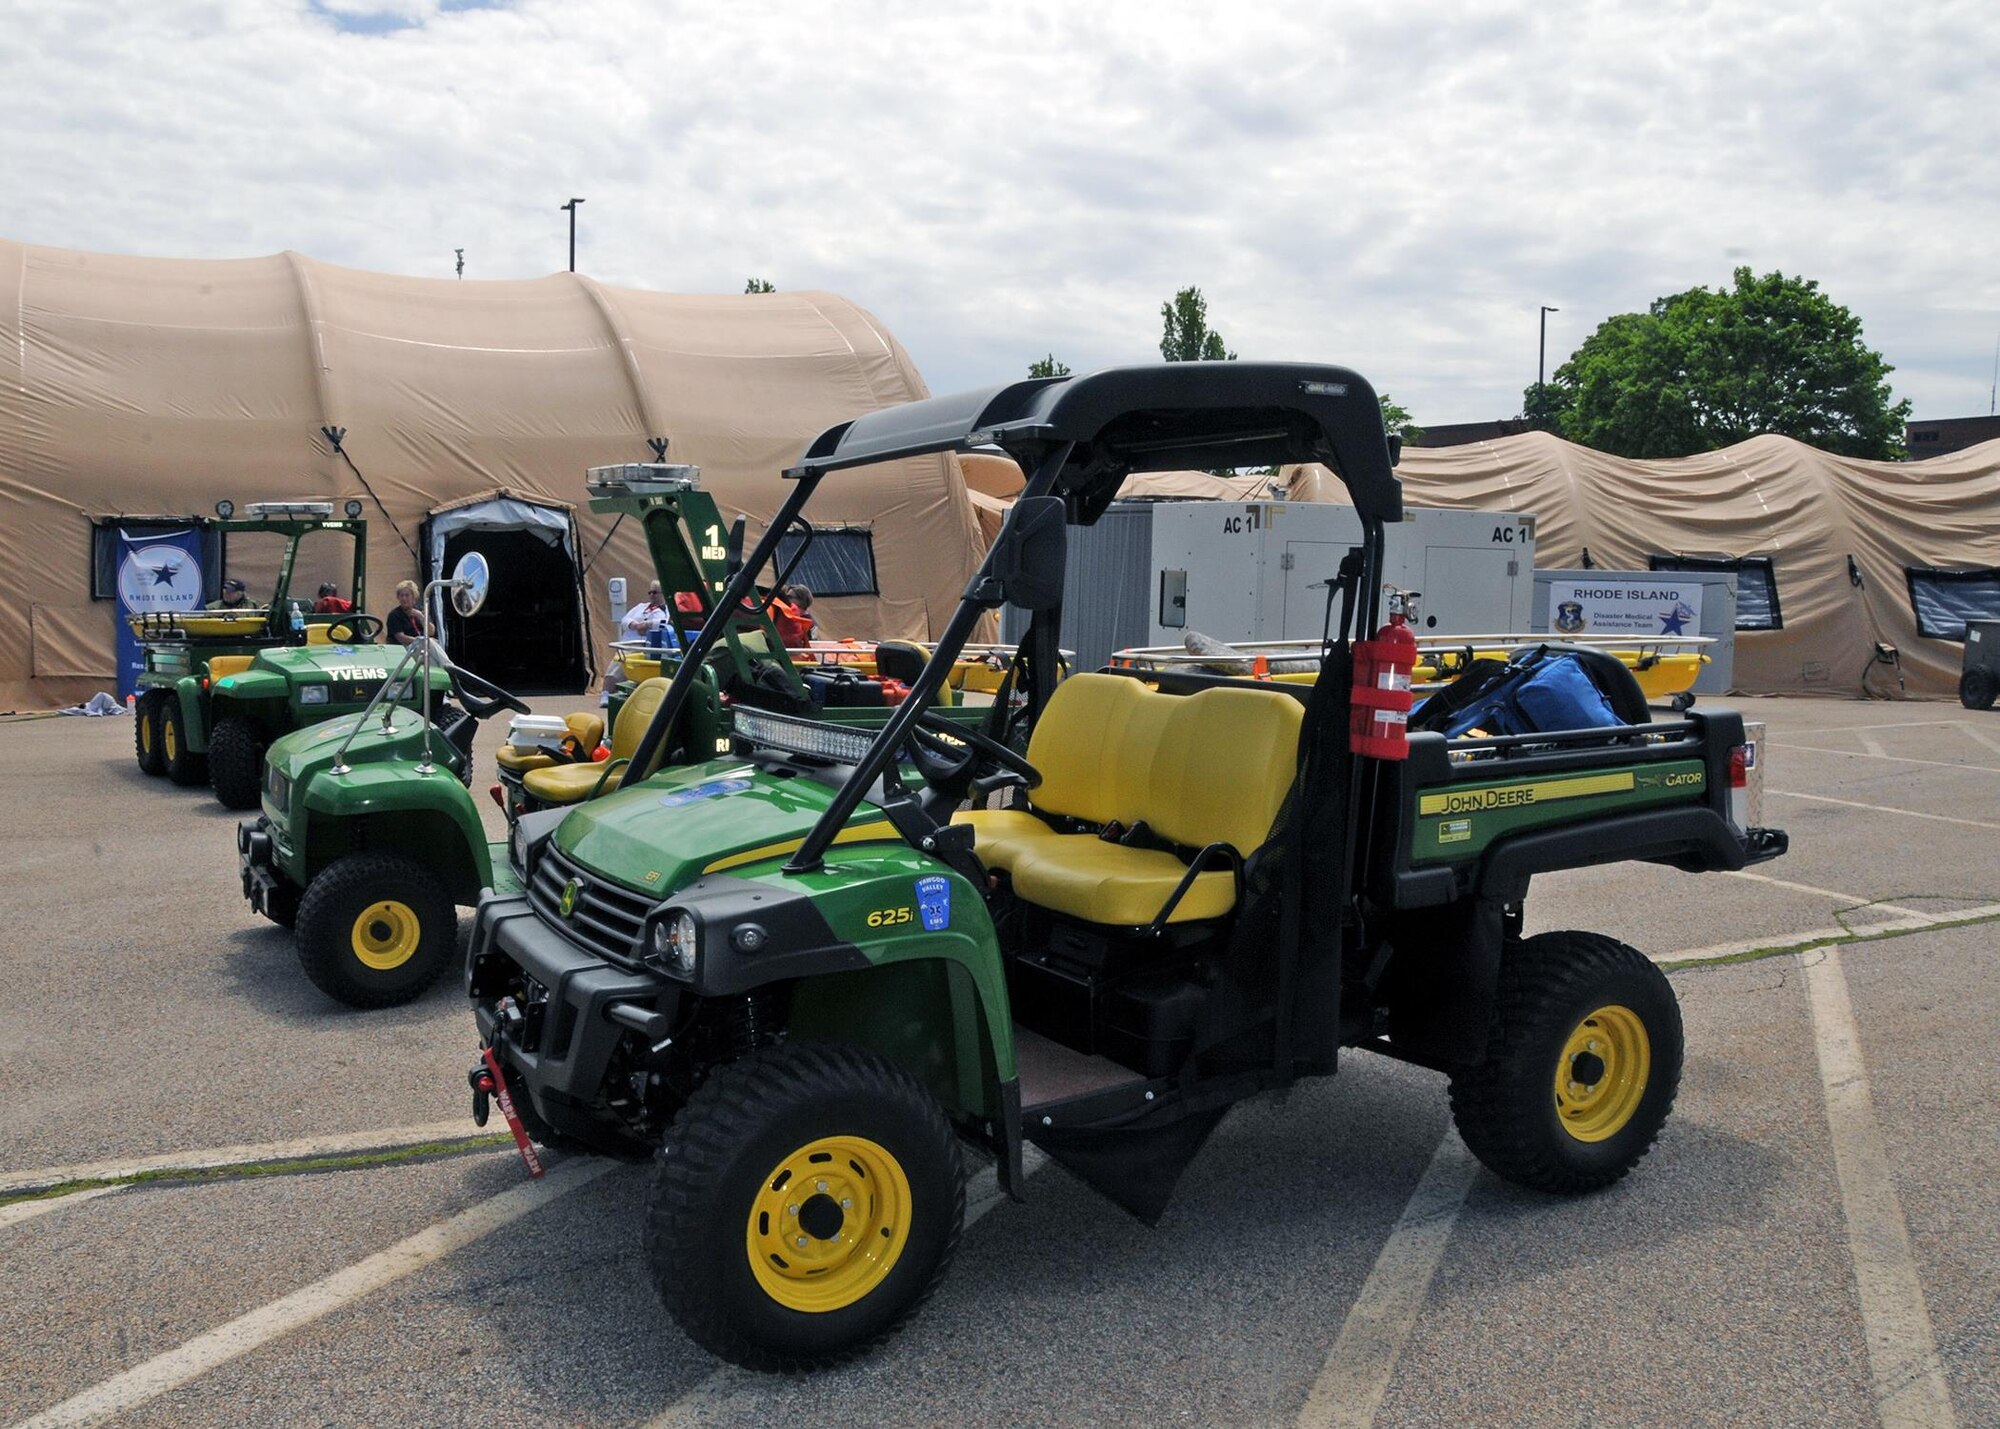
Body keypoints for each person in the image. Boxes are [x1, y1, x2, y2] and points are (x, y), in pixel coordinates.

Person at [602, 582, 675, 705]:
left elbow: (667, 624)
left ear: (663, 594)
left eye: (655, 592)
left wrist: (648, 624)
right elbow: (625, 619)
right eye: (650, 592)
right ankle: (606, 693)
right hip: (631, 642)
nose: (651, 595)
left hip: (650, 645)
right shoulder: (641, 607)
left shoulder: (668, 611)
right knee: (619, 660)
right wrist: (634, 625)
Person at [386, 579, 429, 647]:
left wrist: (421, 616)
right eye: (401, 595)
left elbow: (431, 631)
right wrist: (422, 641)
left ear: (413, 596)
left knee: (434, 645)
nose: (404, 598)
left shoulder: (421, 610)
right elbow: (401, 638)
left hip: (422, 645)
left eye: (407, 595)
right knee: (431, 645)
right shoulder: (394, 615)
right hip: (405, 647)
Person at [771, 584, 816, 648]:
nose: (786, 599)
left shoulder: (809, 621)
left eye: (789, 597)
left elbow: (812, 643)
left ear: (802, 601)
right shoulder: (784, 614)